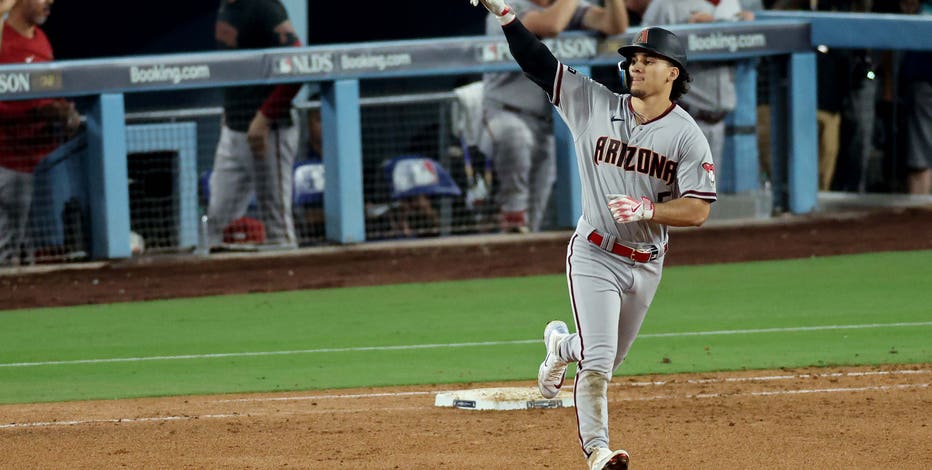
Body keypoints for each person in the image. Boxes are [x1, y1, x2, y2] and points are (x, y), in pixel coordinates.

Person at [469, 1, 716, 468]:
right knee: (599, 363)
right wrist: (504, 12)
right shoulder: (593, 104)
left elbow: (699, 210)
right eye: (633, 60)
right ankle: (598, 452)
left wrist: (650, 208)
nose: (636, 66)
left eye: (648, 61)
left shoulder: (687, 137)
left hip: (646, 262)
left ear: (673, 74)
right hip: (594, 252)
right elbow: (540, 64)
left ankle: (560, 346)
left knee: (603, 355)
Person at [479, 0, 629, 233]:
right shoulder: (504, 5)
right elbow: (551, 25)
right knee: (517, 139)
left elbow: (615, 25)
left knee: (535, 213)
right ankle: (510, 214)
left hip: (546, 123)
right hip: (504, 113)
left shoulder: (569, 7)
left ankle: (515, 254)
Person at [207, 0, 303, 250]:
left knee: (276, 223)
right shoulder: (225, 7)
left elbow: (298, 67)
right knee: (216, 220)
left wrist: (264, 118)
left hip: (269, 131)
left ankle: (291, 282)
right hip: (233, 129)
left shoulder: (265, 7)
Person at [0, 0, 81, 266]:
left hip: (32, 164)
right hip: (5, 160)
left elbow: (47, 95)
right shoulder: (4, 37)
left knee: (15, 256)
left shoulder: (40, 40)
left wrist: (63, 111)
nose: (50, 1)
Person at [633, 0, 754, 176]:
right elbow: (637, 53)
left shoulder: (731, 4)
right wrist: (683, 37)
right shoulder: (665, 4)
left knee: (704, 199)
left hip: (717, 123)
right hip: (677, 121)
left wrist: (749, 30)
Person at [899, 0, 932, 194]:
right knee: (920, 160)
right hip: (923, 78)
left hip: (922, 79)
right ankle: (917, 218)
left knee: (921, 159)